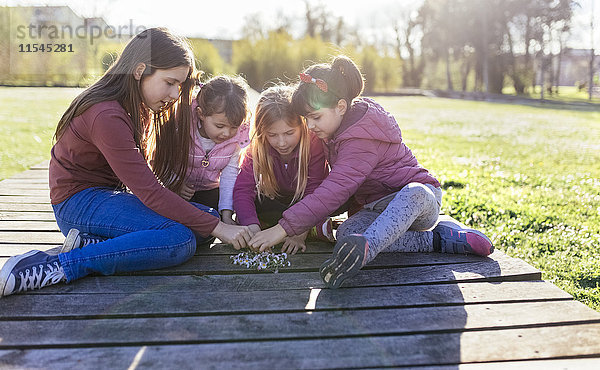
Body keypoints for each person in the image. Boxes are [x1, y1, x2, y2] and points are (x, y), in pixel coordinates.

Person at [0, 28, 253, 298]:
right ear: (140, 70)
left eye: (180, 85)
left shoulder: (139, 105)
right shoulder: (106, 114)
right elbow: (149, 192)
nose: (175, 93)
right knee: (180, 240)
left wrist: (217, 223)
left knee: (207, 218)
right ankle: (57, 266)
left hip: (107, 199)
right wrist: (220, 228)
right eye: (169, 82)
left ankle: (92, 243)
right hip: (77, 204)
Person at [248, 56, 494, 289]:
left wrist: (282, 228)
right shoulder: (330, 131)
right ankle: (440, 240)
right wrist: (299, 223)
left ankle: (366, 249)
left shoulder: (361, 137)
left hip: (419, 203)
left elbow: (336, 189)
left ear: (341, 106)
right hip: (377, 209)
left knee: (413, 193)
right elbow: (329, 188)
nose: (310, 126)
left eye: (315, 117)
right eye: (307, 119)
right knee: (346, 234)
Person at [233, 85, 333, 255]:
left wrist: (299, 233)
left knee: (327, 201)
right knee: (256, 205)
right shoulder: (257, 147)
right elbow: (243, 189)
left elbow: (314, 190)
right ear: (262, 132)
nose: (281, 143)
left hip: (306, 201)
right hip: (277, 200)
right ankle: (271, 225)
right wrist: (253, 229)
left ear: (302, 125)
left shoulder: (313, 142)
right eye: (272, 135)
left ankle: (308, 227)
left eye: (289, 133)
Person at [180, 76, 251, 225]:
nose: (226, 133)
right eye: (220, 126)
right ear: (201, 114)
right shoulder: (183, 128)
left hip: (210, 191)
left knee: (211, 220)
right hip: (180, 188)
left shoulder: (235, 140)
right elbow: (166, 159)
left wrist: (226, 214)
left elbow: (230, 175)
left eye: (233, 127)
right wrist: (175, 183)